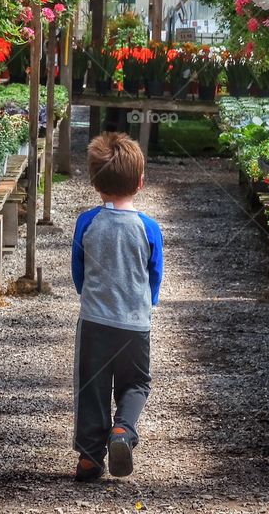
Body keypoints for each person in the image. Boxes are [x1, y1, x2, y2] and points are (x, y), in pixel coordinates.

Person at [71, 132, 163, 482]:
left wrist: (88, 294)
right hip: (135, 325)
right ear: (140, 183)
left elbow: (78, 269)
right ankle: (123, 431)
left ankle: (90, 458)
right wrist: (146, 302)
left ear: (95, 182)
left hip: (95, 322)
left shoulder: (87, 222)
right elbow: (155, 275)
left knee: (92, 388)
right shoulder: (148, 228)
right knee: (136, 384)